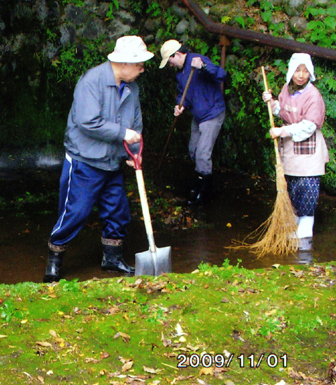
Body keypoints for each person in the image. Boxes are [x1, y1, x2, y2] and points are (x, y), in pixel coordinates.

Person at [43, 35, 153, 283]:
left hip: (112, 162)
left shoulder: (132, 89)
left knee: (117, 212)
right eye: (139, 64)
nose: (142, 69)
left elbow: (135, 125)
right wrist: (123, 133)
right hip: (85, 161)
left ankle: (112, 259)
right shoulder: (91, 81)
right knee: (75, 212)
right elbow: (87, 122)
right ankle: (54, 260)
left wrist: (134, 153)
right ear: (124, 63)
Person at [262, 53, 329, 249]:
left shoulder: (313, 96)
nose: (301, 75)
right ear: (291, 72)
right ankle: (294, 228)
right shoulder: (287, 90)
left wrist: (283, 131)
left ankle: (305, 232)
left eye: (305, 71)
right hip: (291, 151)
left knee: (307, 189)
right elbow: (283, 111)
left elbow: (309, 125)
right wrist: (272, 103)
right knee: (292, 189)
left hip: (309, 152)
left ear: (310, 73)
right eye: (297, 70)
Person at [158, 40, 227, 205]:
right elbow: (183, 93)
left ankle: (204, 192)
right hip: (198, 115)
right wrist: (180, 105)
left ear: (178, 54)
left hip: (212, 112)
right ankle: (199, 181)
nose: (170, 65)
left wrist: (203, 67)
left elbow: (221, 75)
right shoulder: (180, 73)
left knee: (203, 153)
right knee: (193, 150)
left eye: (170, 60)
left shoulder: (198, 60)